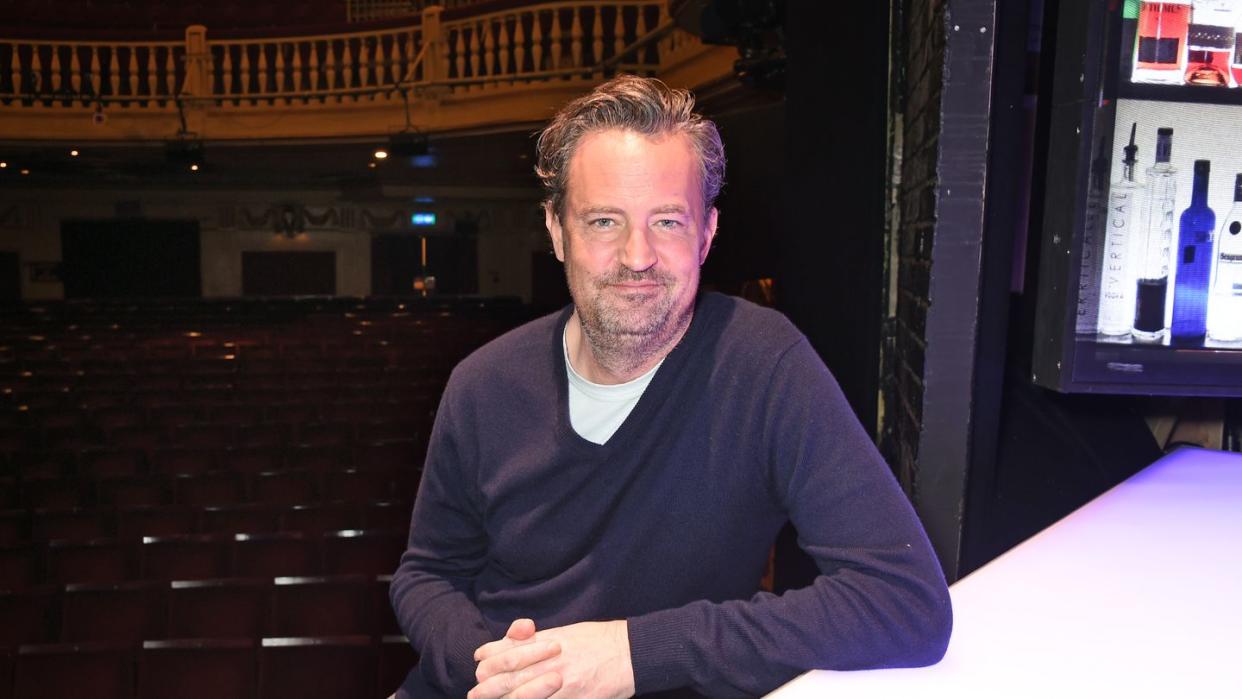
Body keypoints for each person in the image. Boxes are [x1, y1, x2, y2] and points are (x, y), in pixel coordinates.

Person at [390, 74, 952, 698]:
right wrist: (489, 667)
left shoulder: (765, 365)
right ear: (556, 231)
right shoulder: (481, 383)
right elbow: (427, 574)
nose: (638, 256)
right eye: (604, 221)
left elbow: (904, 604)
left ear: (707, 233)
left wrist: (634, 653)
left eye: (667, 221)